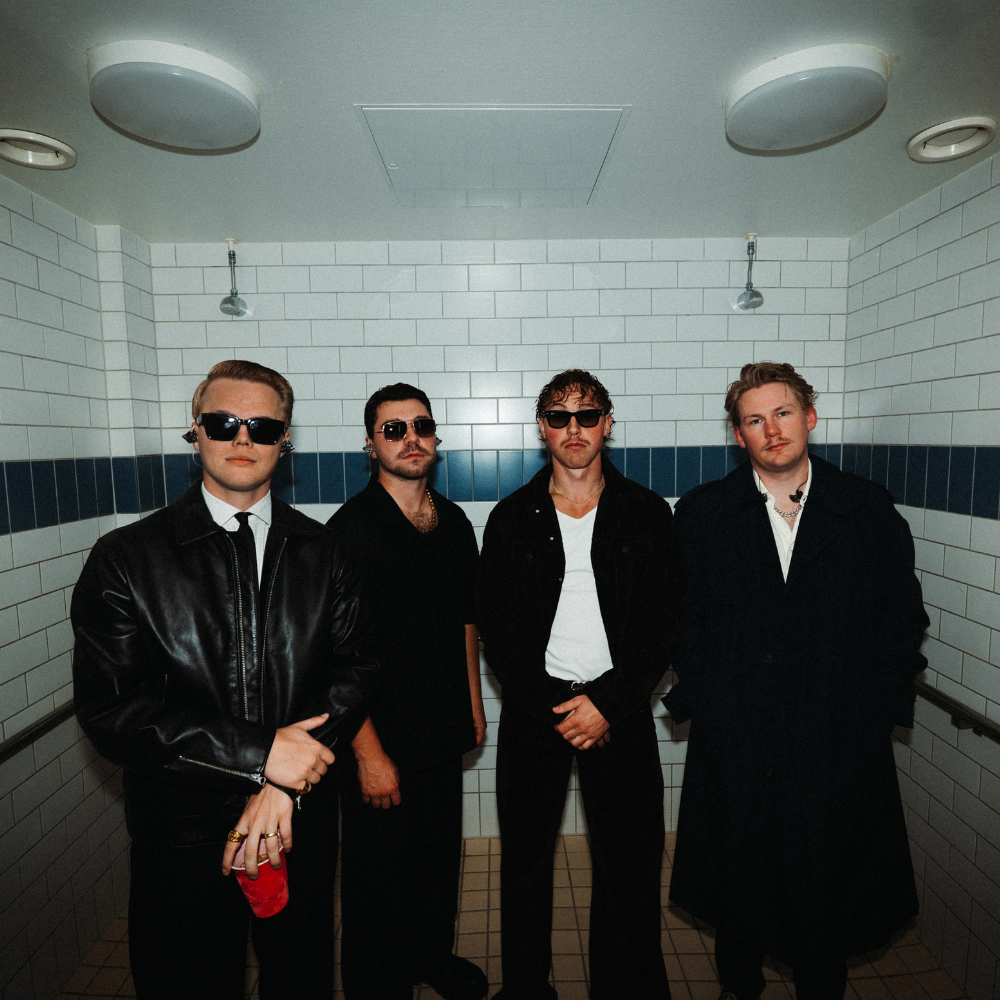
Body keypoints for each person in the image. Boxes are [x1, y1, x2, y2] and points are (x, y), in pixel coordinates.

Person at [71, 360, 380, 1000]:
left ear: (284, 441)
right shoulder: (127, 559)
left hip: (297, 821)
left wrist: (281, 783)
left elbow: (355, 670)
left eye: (262, 427)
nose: (242, 438)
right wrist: (260, 755)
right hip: (182, 833)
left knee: (299, 982)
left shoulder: (328, 553)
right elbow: (112, 712)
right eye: (223, 422)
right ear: (196, 432)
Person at [664, 361, 929, 1000]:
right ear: (738, 436)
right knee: (740, 877)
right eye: (755, 420)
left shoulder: (865, 508)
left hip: (836, 738)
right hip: (739, 736)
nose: (772, 429)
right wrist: (707, 703)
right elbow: (679, 620)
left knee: (826, 885)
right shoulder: (703, 513)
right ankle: (739, 988)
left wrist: (875, 714)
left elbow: (902, 619)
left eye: (783, 413)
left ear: (809, 417)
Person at [478, 368, 685, 1000]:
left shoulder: (646, 513)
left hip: (618, 710)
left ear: (607, 424)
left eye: (587, 415)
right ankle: (525, 990)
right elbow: (498, 632)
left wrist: (607, 703)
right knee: (525, 866)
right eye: (559, 416)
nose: (574, 428)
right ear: (542, 428)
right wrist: (555, 706)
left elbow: (663, 625)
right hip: (536, 711)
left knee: (630, 866)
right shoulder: (512, 518)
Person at [328, 383, 489, 1000]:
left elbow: (466, 620)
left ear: (435, 438)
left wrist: (472, 703)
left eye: (420, 426)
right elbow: (332, 657)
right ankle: (377, 984)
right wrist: (368, 755)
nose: (410, 439)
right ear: (371, 446)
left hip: (441, 728)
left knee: (436, 863)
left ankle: (429, 957)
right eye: (393, 430)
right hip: (379, 737)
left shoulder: (453, 522)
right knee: (377, 881)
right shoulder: (350, 531)